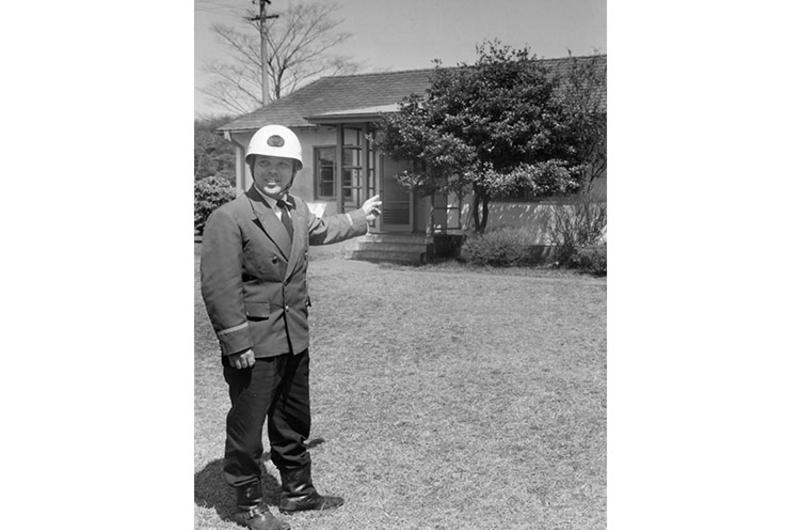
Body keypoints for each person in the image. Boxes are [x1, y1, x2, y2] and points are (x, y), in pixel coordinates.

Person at [200, 124, 381, 530]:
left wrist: (358, 217)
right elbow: (218, 286)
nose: (273, 172)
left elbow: (322, 230)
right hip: (254, 341)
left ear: (294, 170)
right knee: (248, 425)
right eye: (265, 163)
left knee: (292, 419)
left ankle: (298, 492)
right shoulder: (229, 217)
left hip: (294, 334)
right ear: (251, 166)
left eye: (283, 165)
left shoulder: (297, 210)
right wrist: (235, 340)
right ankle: (248, 504)